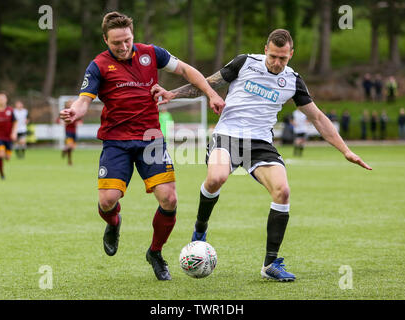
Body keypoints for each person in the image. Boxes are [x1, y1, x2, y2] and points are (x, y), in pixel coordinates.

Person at [152, 29, 372, 281]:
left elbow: (318, 118)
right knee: (216, 178)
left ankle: (270, 264)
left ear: (291, 54)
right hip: (228, 135)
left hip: (260, 143)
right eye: (273, 56)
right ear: (265, 48)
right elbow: (209, 83)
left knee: (283, 190)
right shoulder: (244, 62)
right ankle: (200, 228)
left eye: (283, 58)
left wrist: (345, 150)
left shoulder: (293, 80)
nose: (277, 63)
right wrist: (173, 94)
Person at [59, 12, 225, 281]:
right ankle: (114, 224)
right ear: (105, 40)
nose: (123, 47)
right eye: (116, 43)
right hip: (116, 142)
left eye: (127, 40)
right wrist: (76, 111)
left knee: (169, 199)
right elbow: (83, 99)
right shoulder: (98, 66)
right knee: (107, 201)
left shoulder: (151, 54)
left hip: (150, 138)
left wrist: (212, 93)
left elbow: (186, 70)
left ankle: (155, 253)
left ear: (132, 35)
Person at [58, 100, 82, 166]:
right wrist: (62, 122)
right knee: (70, 146)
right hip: (68, 132)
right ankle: (65, 151)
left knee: (72, 148)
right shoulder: (65, 112)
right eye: (70, 103)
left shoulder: (75, 111)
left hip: (74, 132)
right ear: (67, 104)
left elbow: (79, 119)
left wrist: (79, 122)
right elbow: (59, 119)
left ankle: (66, 153)